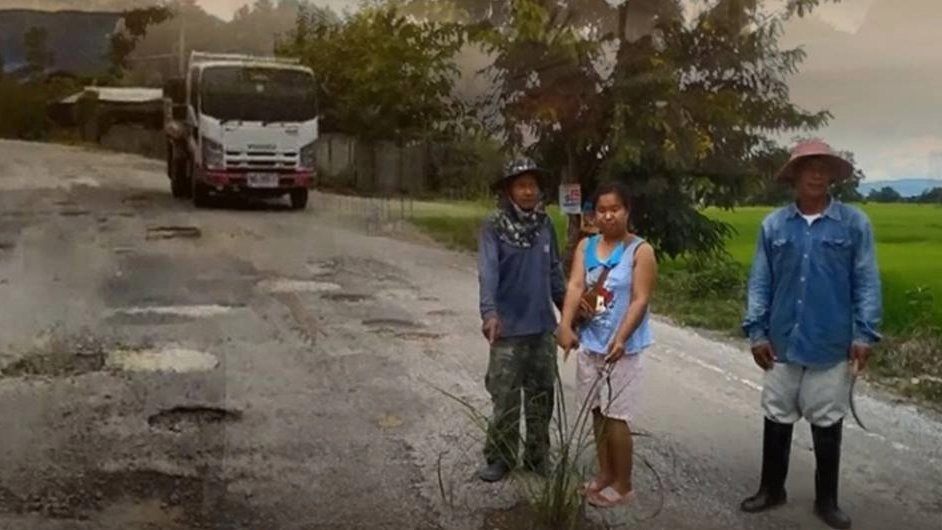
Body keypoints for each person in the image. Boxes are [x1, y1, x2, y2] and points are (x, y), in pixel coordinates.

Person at [740, 139, 882, 529]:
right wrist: (756, 332)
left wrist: (864, 334)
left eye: (824, 167)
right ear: (795, 175)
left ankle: (827, 501)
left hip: (830, 340)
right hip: (781, 341)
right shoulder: (774, 226)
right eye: (809, 166)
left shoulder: (854, 225)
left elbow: (866, 281)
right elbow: (760, 282)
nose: (817, 174)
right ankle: (772, 489)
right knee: (777, 415)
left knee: (826, 420)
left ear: (833, 176)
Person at [556, 181, 657, 508]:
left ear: (627, 211)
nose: (609, 215)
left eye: (615, 209)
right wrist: (565, 325)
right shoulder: (586, 247)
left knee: (617, 416)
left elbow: (640, 299)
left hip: (622, 349)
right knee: (597, 413)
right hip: (591, 343)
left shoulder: (641, 251)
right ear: (593, 214)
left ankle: (623, 483)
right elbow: (574, 286)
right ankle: (604, 474)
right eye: (602, 210)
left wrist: (622, 338)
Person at [476, 156, 567, 482]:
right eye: (521, 185)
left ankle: (537, 457)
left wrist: (569, 314)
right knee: (505, 397)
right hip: (508, 329)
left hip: (542, 327)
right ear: (509, 190)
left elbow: (555, 273)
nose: (529, 192)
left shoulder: (545, 226)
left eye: (533, 185)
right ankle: (500, 457)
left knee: (542, 397)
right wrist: (490, 313)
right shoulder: (494, 227)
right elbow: (488, 272)